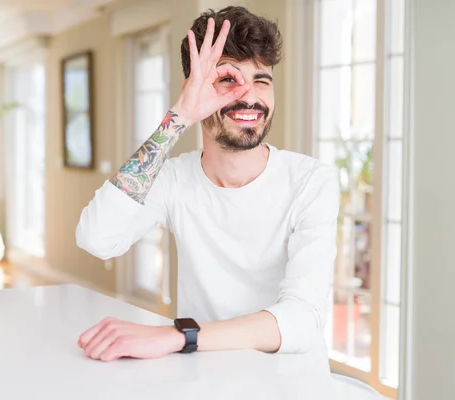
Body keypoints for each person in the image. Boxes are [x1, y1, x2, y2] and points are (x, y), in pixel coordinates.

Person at [75, 6, 339, 366]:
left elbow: (303, 318)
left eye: (261, 79)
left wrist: (178, 335)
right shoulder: (172, 179)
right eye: (229, 79)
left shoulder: (311, 180)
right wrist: (178, 118)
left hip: (287, 381)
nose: (249, 96)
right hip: (201, 375)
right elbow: (96, 237)